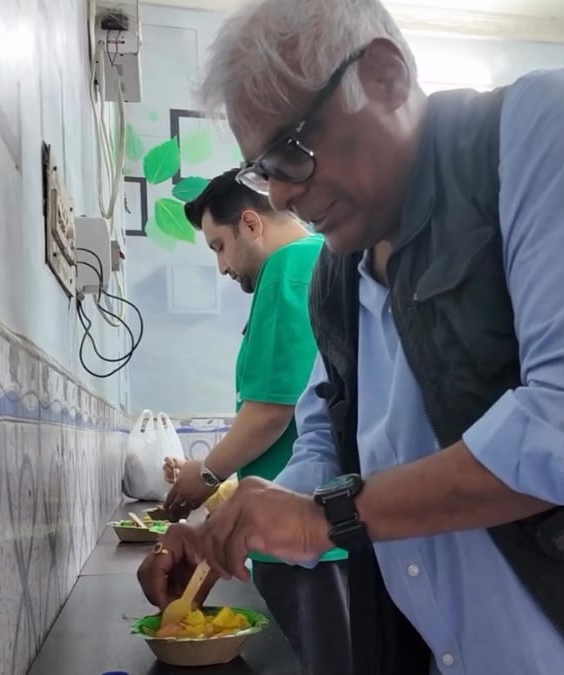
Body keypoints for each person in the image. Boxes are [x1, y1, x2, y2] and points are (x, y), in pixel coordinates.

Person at [136, 1, 564, 674]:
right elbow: (323, 444)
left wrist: (327, 518)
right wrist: (222, 531)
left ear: (385, 76)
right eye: (263, 170)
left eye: (290, 150)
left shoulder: (529, 132)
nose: (281, 196)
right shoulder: (335, 276)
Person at [160, 168, 351, 675]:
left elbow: (271, 411)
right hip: (312, 521)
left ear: (250, 224)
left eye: (219, 246)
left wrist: (205, 475)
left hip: (299, 532)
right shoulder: (318, 262)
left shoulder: (288, 266)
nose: (222, 266)